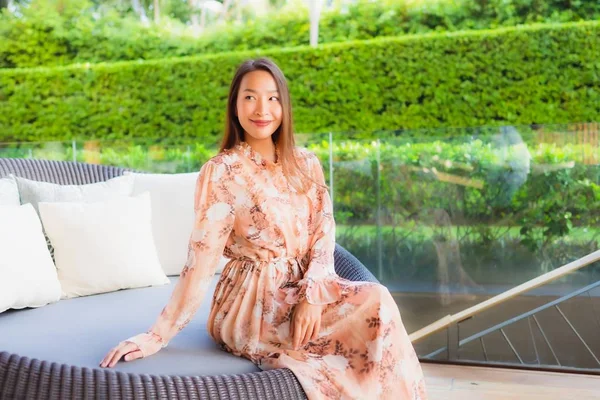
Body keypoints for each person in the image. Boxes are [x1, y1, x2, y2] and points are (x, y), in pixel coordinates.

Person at [100, 57, 427, 400]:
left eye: (272, 98)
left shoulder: (306, 163)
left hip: (306, 288)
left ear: (284, 105)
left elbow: (323, 233)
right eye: (250, 97)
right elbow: (201, 260)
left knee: (377, 300)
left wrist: (313, 296)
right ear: (235, 106)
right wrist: (157, 335)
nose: (262, 109)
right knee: (361, 328)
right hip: (252, 302)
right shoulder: (223, 171)